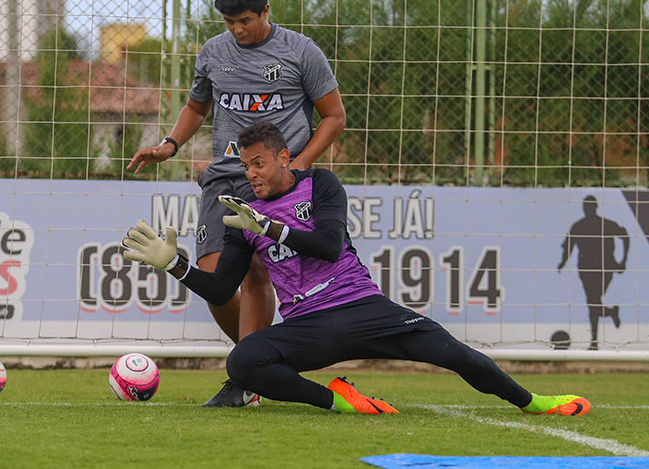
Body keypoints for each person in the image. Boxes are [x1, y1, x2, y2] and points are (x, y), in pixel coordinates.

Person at [122, 121, 591, 416]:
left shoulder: (320, 184)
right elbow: (223, 286)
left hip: (365, 308)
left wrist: (270, 228)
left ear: (284, 158)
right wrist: (175, 265)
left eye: (260, 164)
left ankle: (535, 402)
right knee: (243, 362)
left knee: (457, 355)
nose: (252, 175)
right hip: (310, 327)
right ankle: (339, 401)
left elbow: (328, 246)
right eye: (246, 167)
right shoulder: (241, 213)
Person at [127, 0, 346, 406]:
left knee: (256, 271)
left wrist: (299, 165)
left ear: (266, 11)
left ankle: (246, 380)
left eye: (245, 20)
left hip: (272, 183)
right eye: (229, 22)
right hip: (224, 177)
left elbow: (334, 116)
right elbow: (196, 105)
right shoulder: (213, 52)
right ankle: (260, 363)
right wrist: (170, 145)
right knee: (214, 280)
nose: (237, 29)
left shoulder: (301, 52)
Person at [558, 195, 628, 350]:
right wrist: (562, 263)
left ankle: (595, 341)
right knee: (593, 302)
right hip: (586, 270)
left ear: (594, 208)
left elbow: (625, 235)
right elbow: (568, 246)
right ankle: (610, 314)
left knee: (593, 302)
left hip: (604, 268)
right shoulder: (579, 226)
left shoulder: (606, 224)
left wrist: (623, 260)